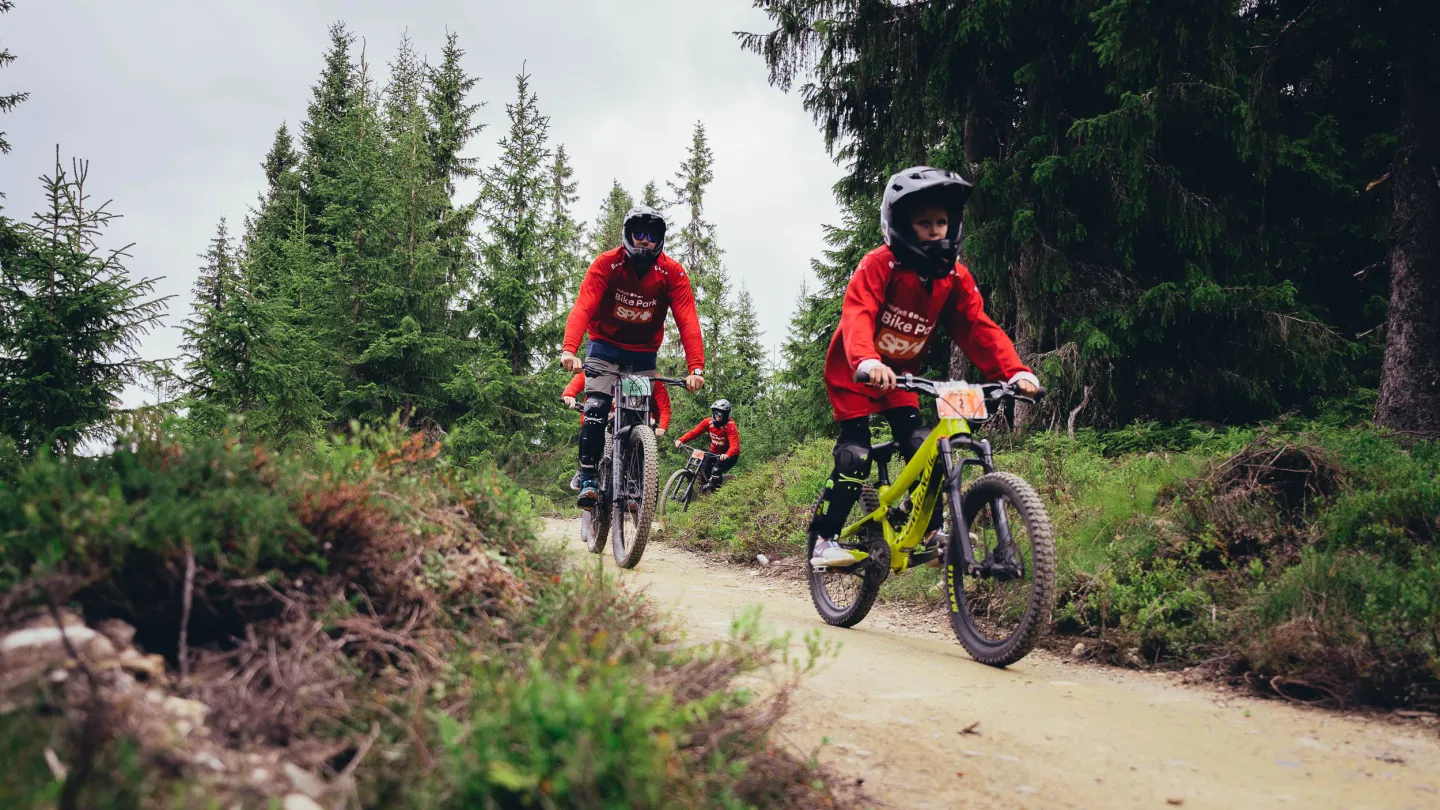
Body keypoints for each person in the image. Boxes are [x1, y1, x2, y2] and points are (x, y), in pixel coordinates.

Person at [808, 166, 1040, 568]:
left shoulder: (954, 277)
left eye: (941, 222)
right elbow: (858, 314)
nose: (935, 231)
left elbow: (977, 327)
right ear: (899, 224)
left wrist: (1013, 372)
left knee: (923, 443)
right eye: (923, 222)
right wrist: (866, 359)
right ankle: (823, 540)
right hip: (854, 372)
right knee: (855, 456)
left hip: (900, 378)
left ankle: (931, 532)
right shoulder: (878, 265)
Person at [561, 205, 705, 509]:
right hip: (603, 347)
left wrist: (696, 367)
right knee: (597, 407)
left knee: (639, 418)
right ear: (627, 235)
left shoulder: (672, 273)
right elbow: (584, 305)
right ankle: (588, 479)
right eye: (638, 234)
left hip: (642, 356)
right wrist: (570, 349)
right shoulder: (607, 265)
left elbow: (688, 320)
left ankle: (631, 483)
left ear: (660, 240)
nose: (644, 241)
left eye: (652, 236)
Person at [562, 371, 671, 490]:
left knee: (635, 441)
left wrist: (662, 426)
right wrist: (569, 393)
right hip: (603, 413)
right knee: (591, 430)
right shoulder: (607, 367)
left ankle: (635, 481)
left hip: (629, 419)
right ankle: (584, 470)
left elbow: (664, 407)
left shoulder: (649, 377)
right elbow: (585, 375)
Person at [674, 399, 739, 492]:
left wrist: (727, 455)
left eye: (721, 414)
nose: (718, 416)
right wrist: (681, 440)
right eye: (716, 413)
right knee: (704, 468)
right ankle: (704, 495)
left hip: (730, 455)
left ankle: (718, 496)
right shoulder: (708, 422)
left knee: (716, 471)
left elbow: (734, 445)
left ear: (726, 415)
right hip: (714, 452)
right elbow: (694, 432)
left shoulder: (730, 426)